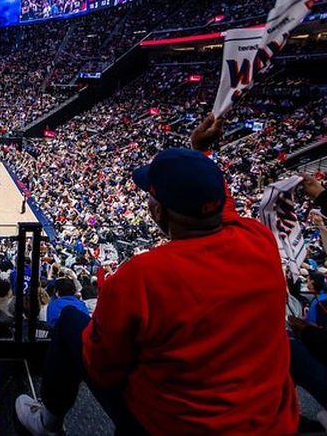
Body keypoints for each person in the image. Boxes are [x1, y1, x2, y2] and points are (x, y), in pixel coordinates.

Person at [16, 114, 298, 435]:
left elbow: (101, 368)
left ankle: (47, 424)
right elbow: (217, 201)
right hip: (272, 423)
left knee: (69, 321)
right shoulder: (258, 238)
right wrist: (199, 153)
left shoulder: (142, 275)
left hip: (170, 426)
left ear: (157, 210)